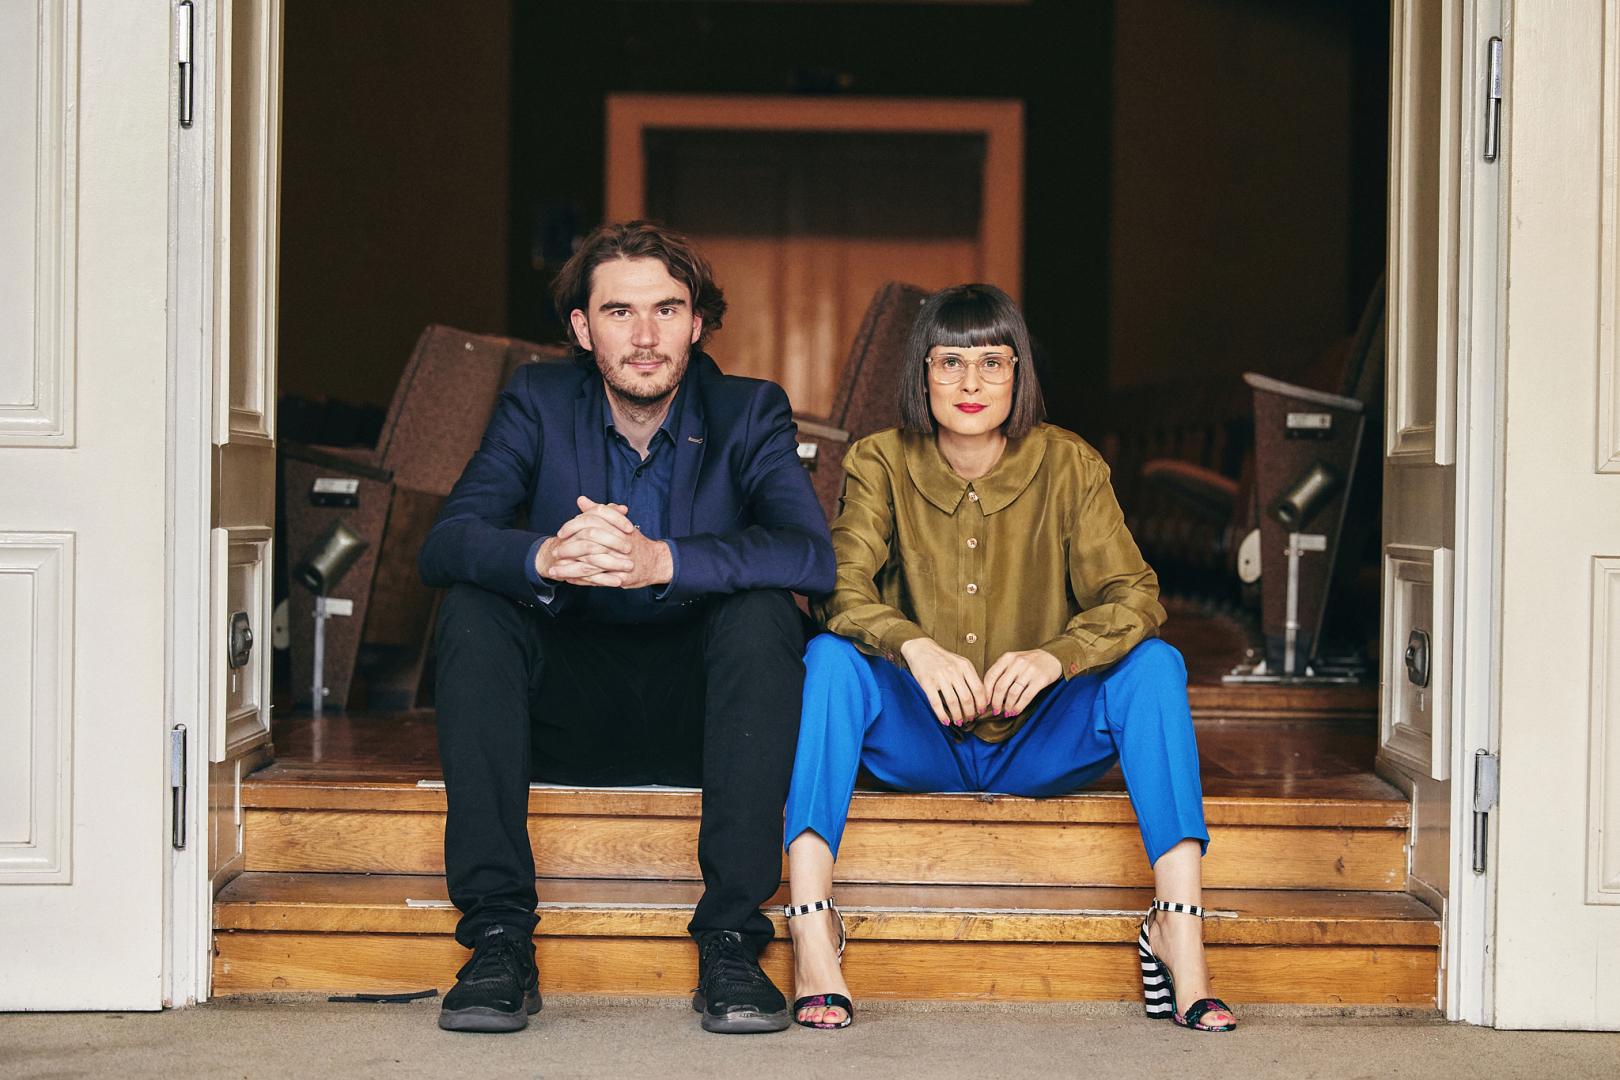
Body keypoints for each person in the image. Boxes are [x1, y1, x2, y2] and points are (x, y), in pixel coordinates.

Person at [780, 284, 1237, 1034]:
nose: (969, 384)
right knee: (830, 658)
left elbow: (1136, 596)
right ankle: (812, 925)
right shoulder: (879, 461)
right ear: (920, 374)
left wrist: (1059, 656)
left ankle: (1178, 932)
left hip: (1038, 742)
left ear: (1019, 373)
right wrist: (913, 646)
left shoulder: (1068, 464)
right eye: (949, 362)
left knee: (1156, 665)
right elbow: (836, 589)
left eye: (992, 363)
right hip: (917, 737)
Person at [419, 220, 834, 1034]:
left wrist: (663, 562)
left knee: (763, 615)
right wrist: (543, 555)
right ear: (582, 327)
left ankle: (731, 943)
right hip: (565, 708)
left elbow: (808, 556)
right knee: (473, 607)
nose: (644, 337)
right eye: (618, 313)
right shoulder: (536, 401)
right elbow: (447, 540)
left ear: (697, 322)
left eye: (666, 310)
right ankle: (498, 936)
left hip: (705, 716)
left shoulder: (750, 410)